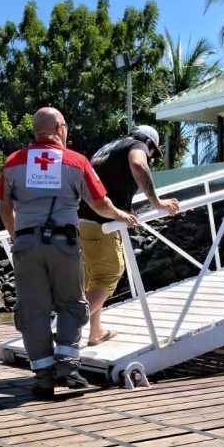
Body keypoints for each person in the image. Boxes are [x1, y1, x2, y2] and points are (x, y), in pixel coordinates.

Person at [0, 107, 138, 399]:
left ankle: (43, 378)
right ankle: (68, 369)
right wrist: (122, 216)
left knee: (33, 310)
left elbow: (4, 208)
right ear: (60, 128)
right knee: (71, 304)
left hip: (27, 244)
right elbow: (100, 204)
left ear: (35, 131)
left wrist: (16, 236)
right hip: (64, 244)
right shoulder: (76, 161)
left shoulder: (13, 162)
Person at [78, 125, 180, 346]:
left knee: (95, 280)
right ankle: (67, 324)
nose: (149, 156)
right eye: (152, 153)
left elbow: (106, 182)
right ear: (149, 143)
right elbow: (138, 164)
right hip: (101, 223)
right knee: (109, 275)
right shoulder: (137, 146)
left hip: (82, 220)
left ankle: (96, 331)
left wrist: (124, 207)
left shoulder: (108, 148)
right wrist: (157, 202)